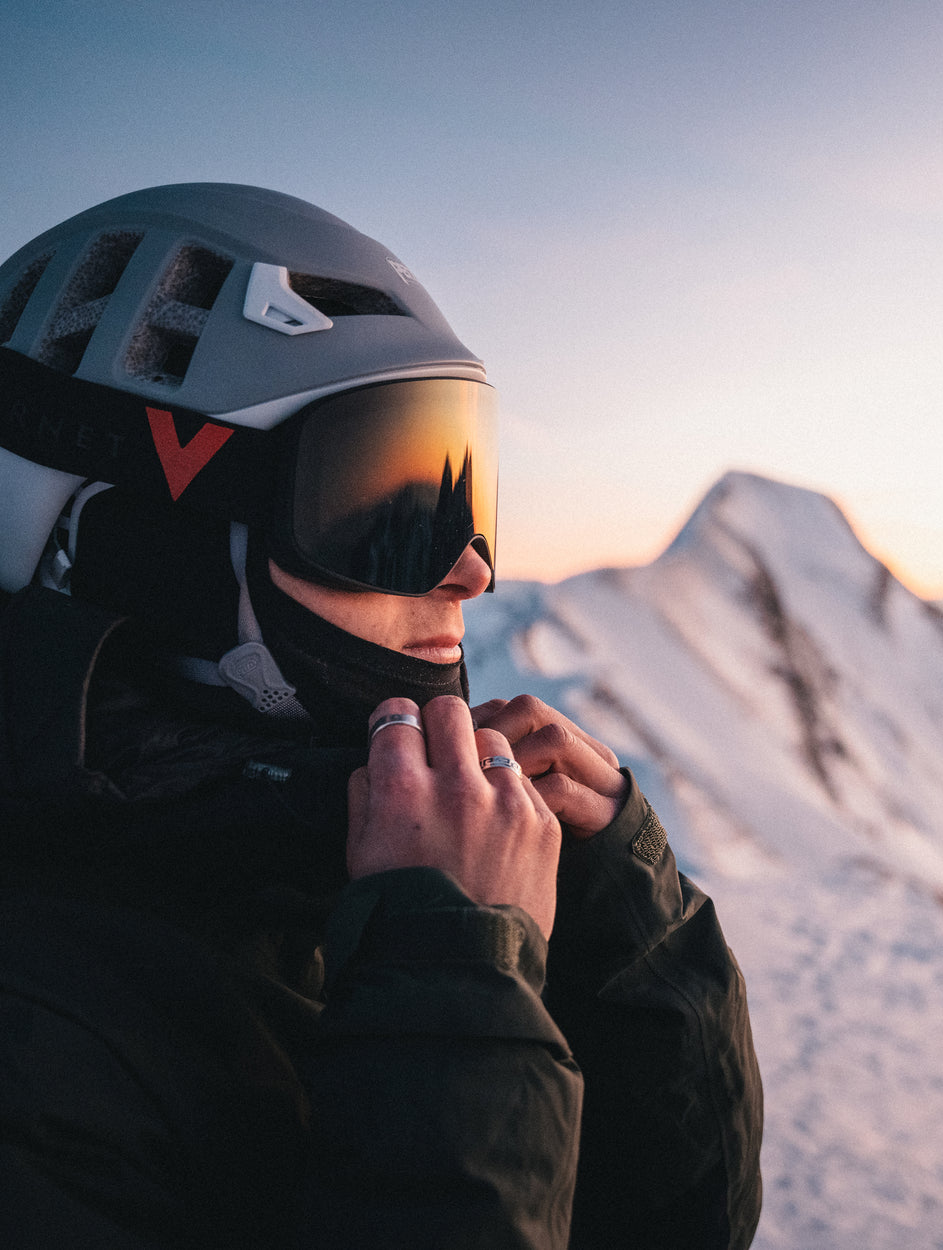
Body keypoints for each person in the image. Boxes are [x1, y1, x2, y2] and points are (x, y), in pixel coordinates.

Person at [0, 184, 763, 1249]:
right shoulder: (39, 1049)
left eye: (462, 490)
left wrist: (619, 934)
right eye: (380, 508)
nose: (469, 568)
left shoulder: (307, 848)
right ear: (134, 540)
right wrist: (457, 989)